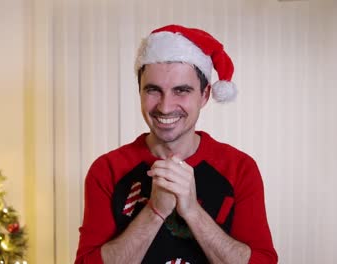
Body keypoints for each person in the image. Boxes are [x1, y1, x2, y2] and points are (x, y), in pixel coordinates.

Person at [75, 24, 278, 264]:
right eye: (153, 90)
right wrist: (154, 211)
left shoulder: (240, 168)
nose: (165, 106)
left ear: (204, 95)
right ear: (139, 92)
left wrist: (192, 211)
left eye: (181, 91)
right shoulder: (107, 169)